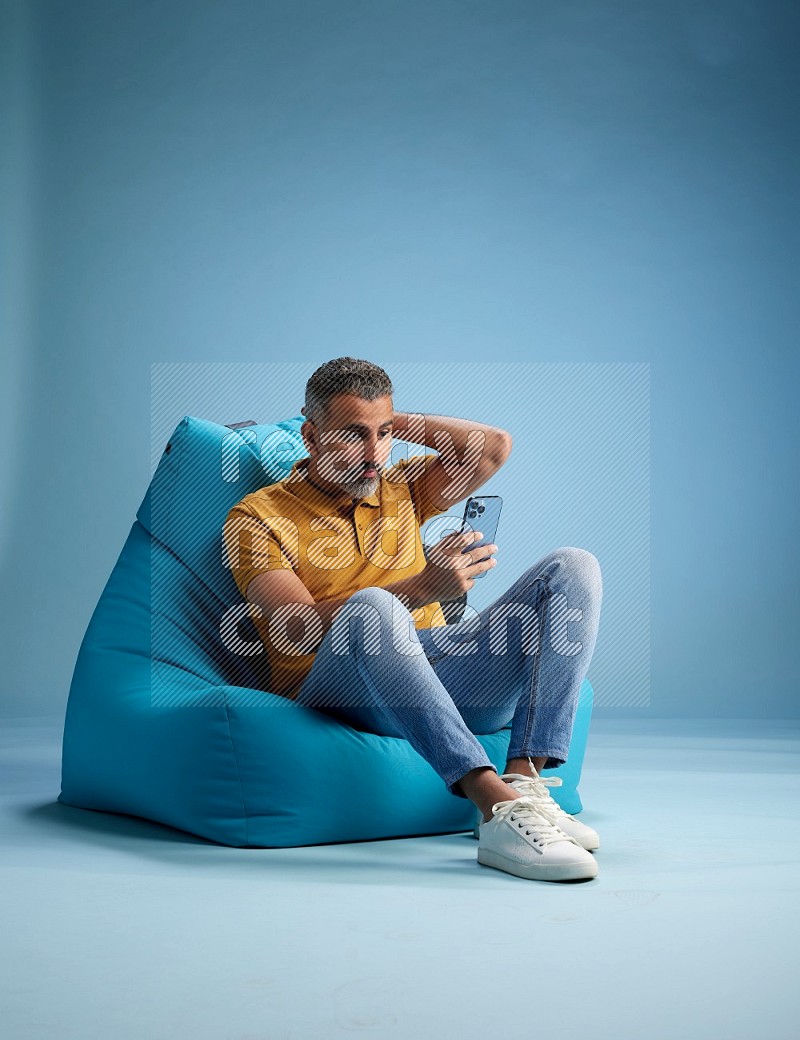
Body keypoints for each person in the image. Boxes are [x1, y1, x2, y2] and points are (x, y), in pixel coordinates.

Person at [222, 357, 603, 882]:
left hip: (435, 669)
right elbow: (297, 626)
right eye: (352, 436)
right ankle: (493, 808)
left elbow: (492, 446)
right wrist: (425, 586)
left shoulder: (400, 487)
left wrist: (387, 421)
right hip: (340, 691)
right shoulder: (256, 517)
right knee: (372, 606)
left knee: (573, 567)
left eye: (383, 435)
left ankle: (526, 786)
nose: (374, 454)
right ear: (311, 435)